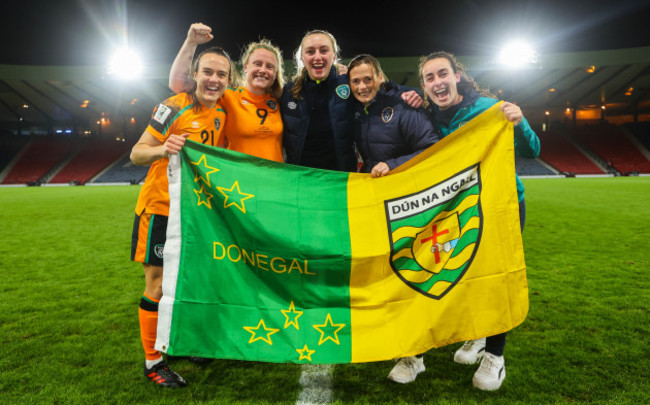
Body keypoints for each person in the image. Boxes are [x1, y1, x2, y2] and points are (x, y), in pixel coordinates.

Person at [415, 50, 540, 391]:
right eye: (429, 78)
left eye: (442, 74)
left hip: (503, 204)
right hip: (459, 209)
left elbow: (533, 150)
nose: (437, 82)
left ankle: (495, 356)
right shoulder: (427, 117)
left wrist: (519, 120)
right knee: (464, 274)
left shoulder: (490, 108)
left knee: (495, 278)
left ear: (457, 75)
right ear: (424, 86)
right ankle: (478, 335)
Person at [130, 46, 232, 388]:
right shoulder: (172, 107)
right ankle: (153, 361)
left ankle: (180, 342)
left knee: (187, 280)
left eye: (221, 74)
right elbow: (136, 152)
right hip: (160, 210)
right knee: (157, 286)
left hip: (192, 213)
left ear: (228, 81)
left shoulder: (221, 114)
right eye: (208, 72)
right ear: (195, 74)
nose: (213, 79)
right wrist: (163, 148)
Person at [281, 30, 423, 172]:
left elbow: (381, 89)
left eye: (324, 50)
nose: (317, 57)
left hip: (341, 178)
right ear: (302, 58)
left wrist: (414, 93)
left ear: (334, 56)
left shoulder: (348, 83)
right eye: (310, 52)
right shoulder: (288, 92)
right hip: (299, 179)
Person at [169, 23, 285, 162]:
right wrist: (191, 42)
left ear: (275, 73)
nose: (263, 70)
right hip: (238, 181)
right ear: (246, 67)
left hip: (273, 180)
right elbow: (178, 84)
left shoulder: (281, 100)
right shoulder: (228, 96)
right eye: (258, 64)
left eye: (270, 66)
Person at [347, 54, 439, 177]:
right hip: (375, 185)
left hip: (406, 185)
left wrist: (392, 165)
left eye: (368, 79)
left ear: (380, 77)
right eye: (355, 81)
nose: (362, 87)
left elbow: (432, 149)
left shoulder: (405, 105)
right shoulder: (354, 109)